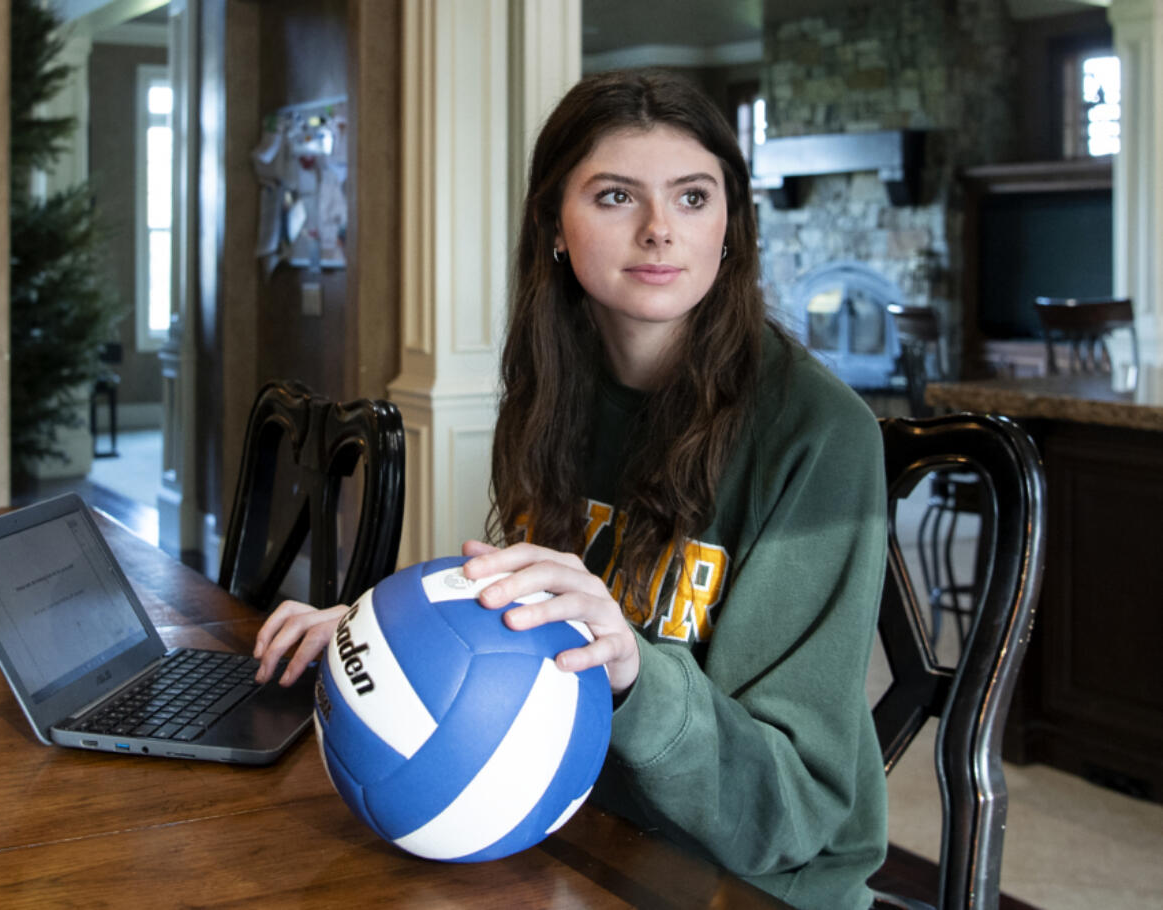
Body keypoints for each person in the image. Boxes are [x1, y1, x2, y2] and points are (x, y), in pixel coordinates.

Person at [254, 69, 888, 910]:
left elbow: (794, 812)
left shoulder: (820, 434)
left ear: (731, 224)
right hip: (570, 819)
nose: (661, 231)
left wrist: (631, 669)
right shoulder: (551, 388)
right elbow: (536, 628)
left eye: (694, 197)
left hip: (744, 882)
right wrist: (394, 637)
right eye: (618, 196)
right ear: (555, 223)